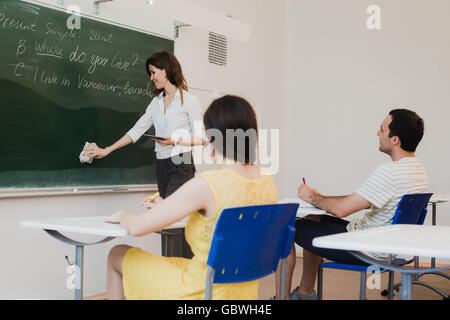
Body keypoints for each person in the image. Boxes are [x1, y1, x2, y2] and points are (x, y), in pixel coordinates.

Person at [104, 95, 278, 300]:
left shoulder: (208, 184)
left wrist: (124, 214)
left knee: (117, 253)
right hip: (242, 292)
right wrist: (169, 207)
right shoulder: (266, 180)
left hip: (202, 291)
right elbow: (220, 220)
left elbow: (136, 228)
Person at [275, 109, 429, 300]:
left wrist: (310, 197)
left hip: (366, 248)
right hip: (389, 245)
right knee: (313, 218)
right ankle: (305, 294)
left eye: (381, 130)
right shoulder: (417, 170)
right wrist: (320, 197)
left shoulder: (389, 173)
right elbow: (360, 200)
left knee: (286, 227)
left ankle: (280, 298)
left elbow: (341, 210)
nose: (377, 134)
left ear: (395, 139)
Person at [88, 50, 206, 258]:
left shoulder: (188, 100)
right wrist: (106, 150)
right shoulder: (156, 103)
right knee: (169, 218)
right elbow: (136, 130)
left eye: (153, 72)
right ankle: (181, 272)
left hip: (182, 162)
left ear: (166, 70)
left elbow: (202, 138)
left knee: (170, 218)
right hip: (162, 165)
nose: (151, 78)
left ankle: (175, 276)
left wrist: (175, 140)